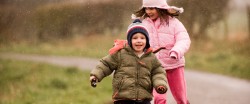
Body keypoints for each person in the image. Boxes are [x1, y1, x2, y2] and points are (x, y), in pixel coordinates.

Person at [90, 19, 168, 104]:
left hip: (144, 99)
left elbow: (158, 72)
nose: (139, 40)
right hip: (123, 98)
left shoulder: (151, 57)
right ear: (129, 40)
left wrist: (160, 84)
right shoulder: (120, 54)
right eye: (135, 38)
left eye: (142, 38)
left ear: (147, 41)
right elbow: (106, 64)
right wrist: (96, 76)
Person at [133, 0, 191, 104]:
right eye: (146, 8)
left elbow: (184, 39)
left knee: (181, 97)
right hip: (154, 68)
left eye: (152, 8)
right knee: (159, 98)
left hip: (174, 65)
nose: (148, 11)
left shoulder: (174, 23)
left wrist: (177, 50)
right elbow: (136, 40)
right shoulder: (144, 24)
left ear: (160, 8)